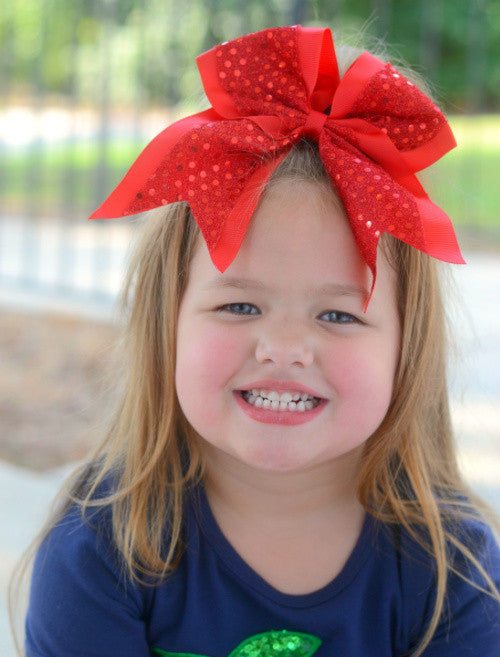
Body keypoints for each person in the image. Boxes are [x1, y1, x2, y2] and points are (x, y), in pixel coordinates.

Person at [20, 25, 499, 657]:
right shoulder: (101, 551)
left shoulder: (452, 568)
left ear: (406, 350)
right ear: (168, 325)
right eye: (240, 304)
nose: (284, 347)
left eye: (338, 316)